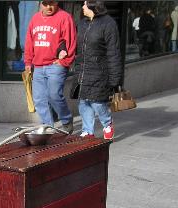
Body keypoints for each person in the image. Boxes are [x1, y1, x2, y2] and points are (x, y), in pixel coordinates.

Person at [24, 0, 77, 134]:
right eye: (45, 4)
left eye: (52, 3)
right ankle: (48, 127)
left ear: (57, 2)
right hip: (38, 65)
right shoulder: (35, 18)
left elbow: (71, 41)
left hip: (55, 65)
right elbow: (29, 42)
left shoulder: (64, 17)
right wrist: (28, 62)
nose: (49, 7)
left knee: (54, 95)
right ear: (41, 3)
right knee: (39, 99)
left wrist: (65, 61)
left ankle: (66, 120)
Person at [75, 0, 122, 140]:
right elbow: (70, 42)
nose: (82, 7)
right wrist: (62, 49)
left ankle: (107, 124)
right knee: (84, 102)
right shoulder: (82, 23)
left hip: (99, 71)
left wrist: (115, 78)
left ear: (92, 6)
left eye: (84, 4)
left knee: (97, 102)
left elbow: (113, 52)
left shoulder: (108, 24)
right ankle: (87, 130)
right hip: (83, 70)